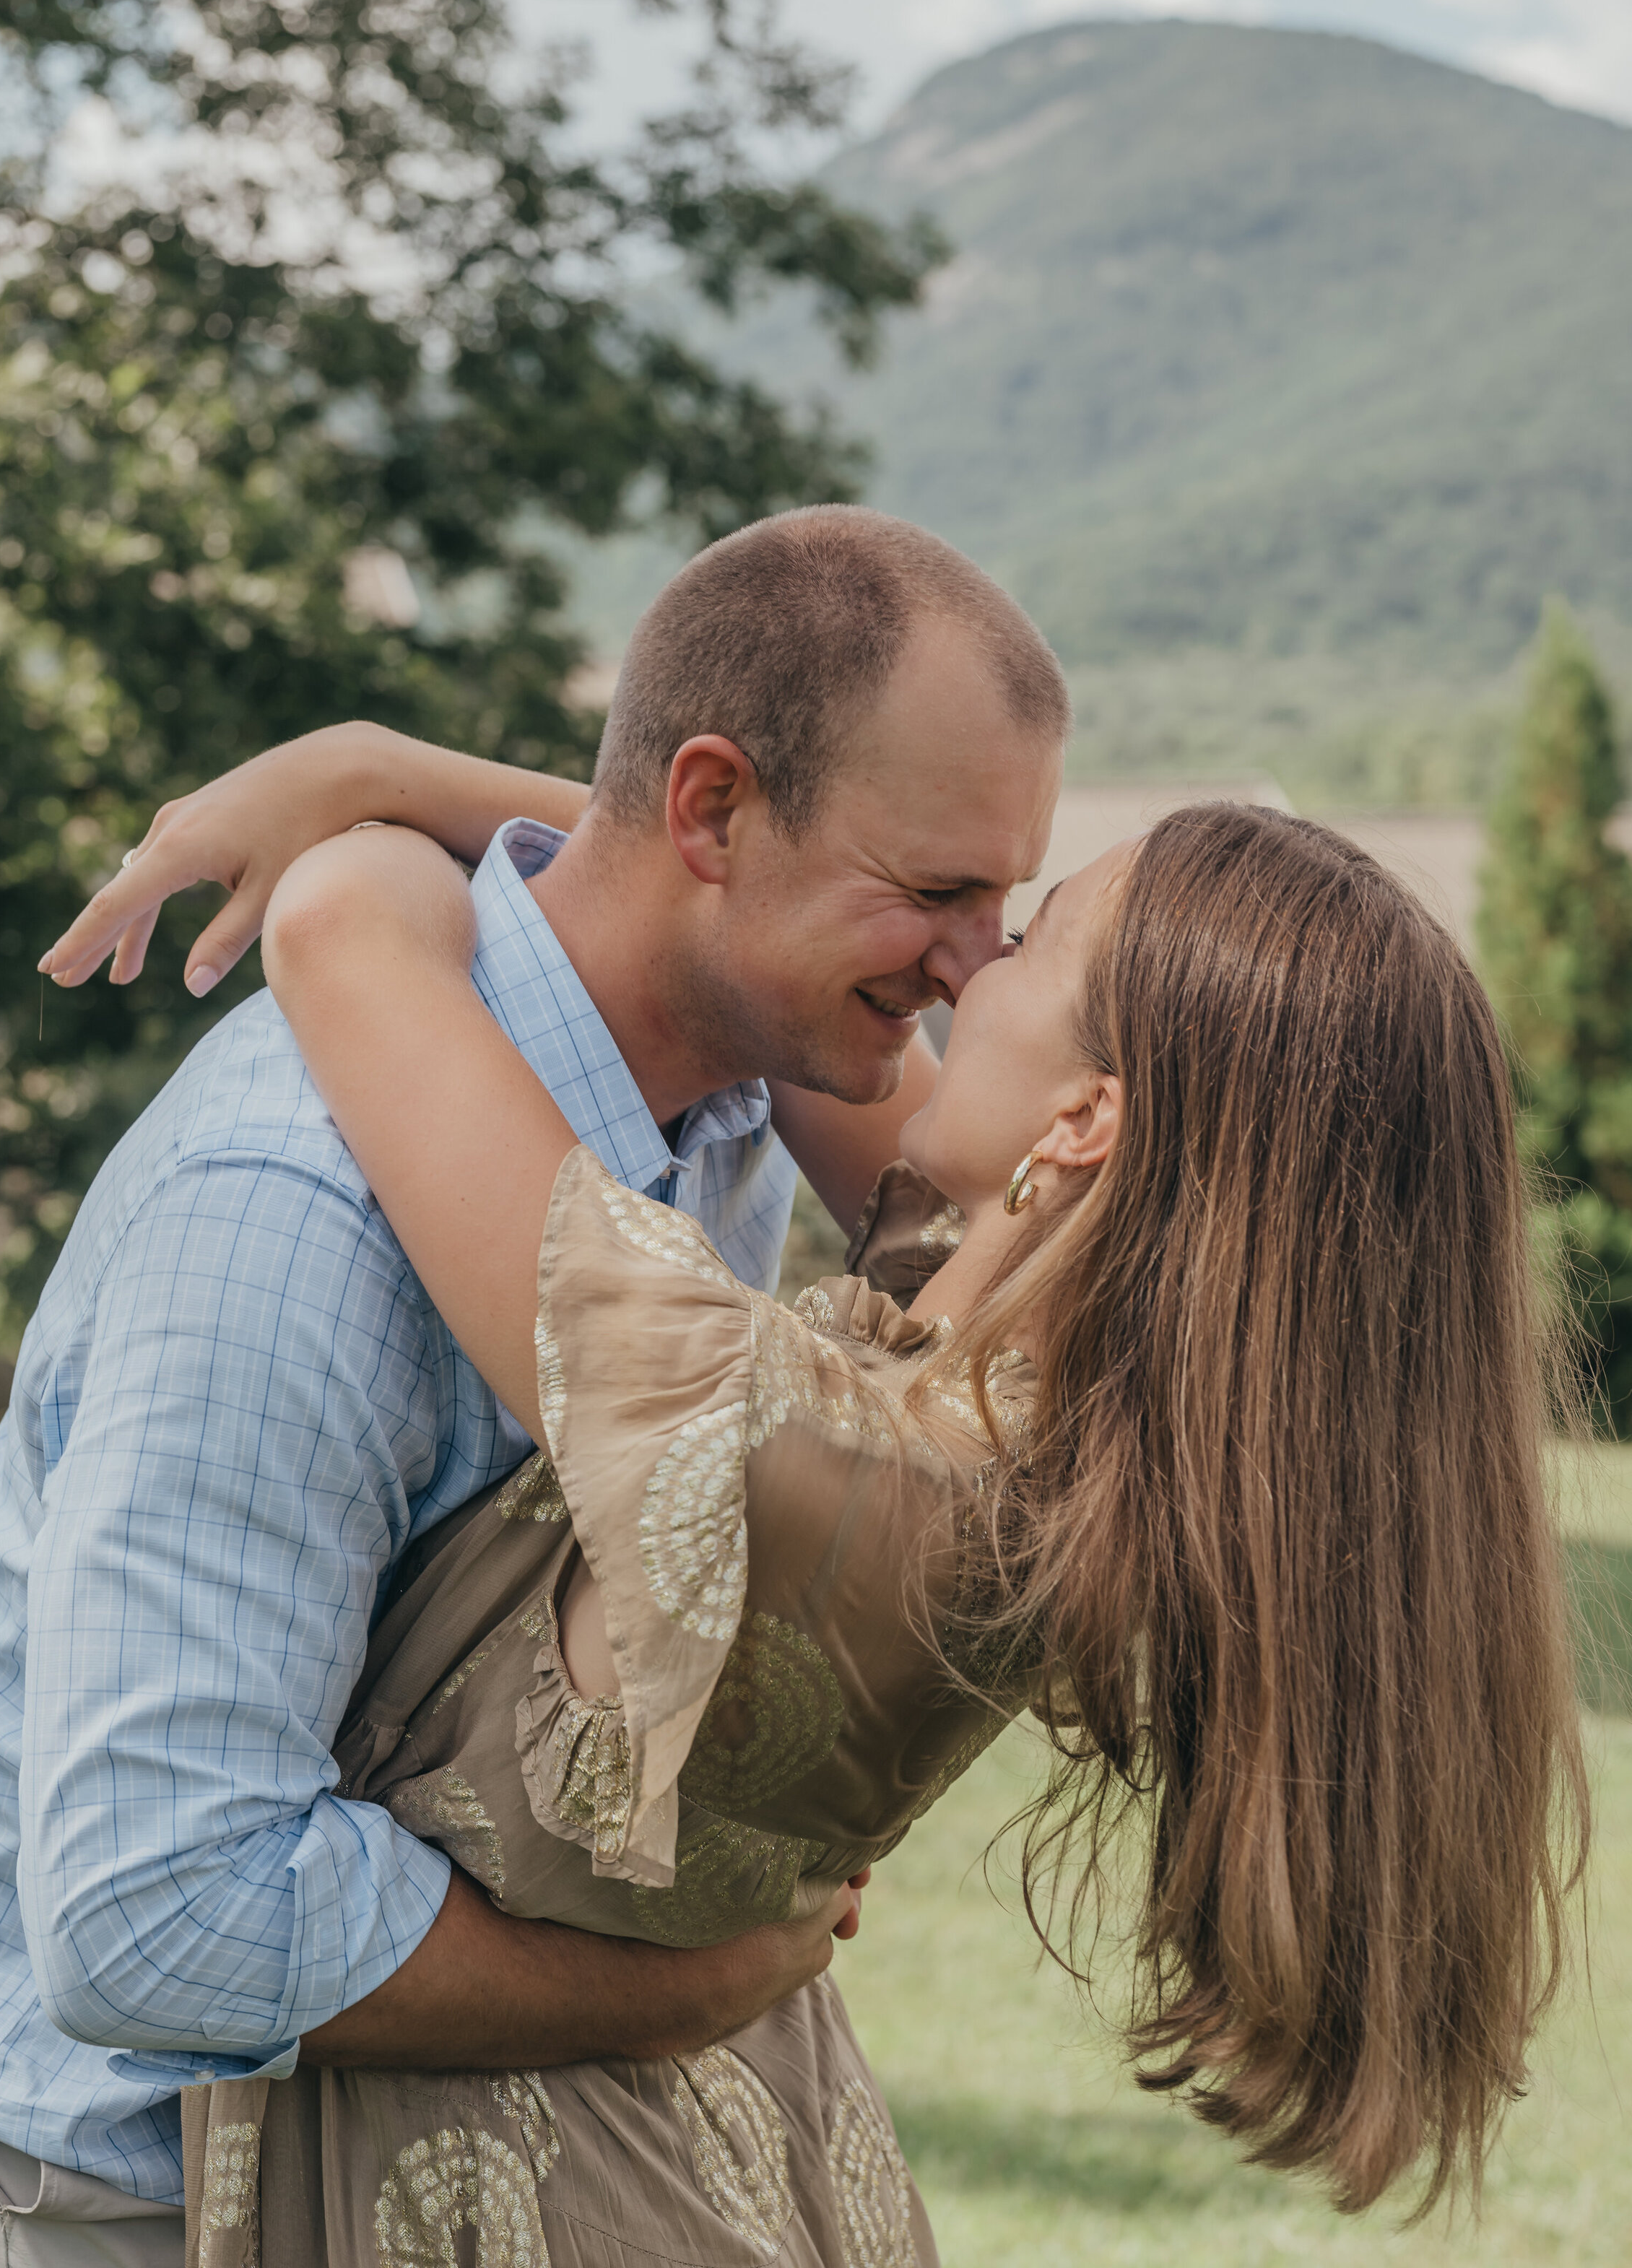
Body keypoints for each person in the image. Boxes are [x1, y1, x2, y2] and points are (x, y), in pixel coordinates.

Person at [168, 786, 1584, 2262]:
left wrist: (362, 807)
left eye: (1021, 939)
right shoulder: (1028, 1422)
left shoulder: (827, 1474)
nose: (960, 963)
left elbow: (341, 932)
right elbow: (725, 903)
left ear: (1087, 1119)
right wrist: (398, 759)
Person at [0, 507, 1067, 2259]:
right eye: (941, 892)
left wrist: (387, 782)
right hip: (62, 2188)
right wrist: (661, 1988)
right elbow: (151, 1916)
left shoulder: (760, 1089)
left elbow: (670, 862)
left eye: (1012, 904)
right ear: (712, 811)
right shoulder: (289, 1214)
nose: (979, 968)